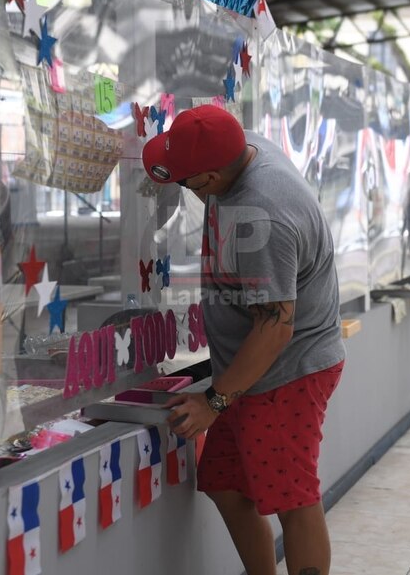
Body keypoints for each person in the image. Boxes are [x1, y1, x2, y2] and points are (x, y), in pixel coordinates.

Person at [142, 105, 346, 575]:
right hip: (245, 373)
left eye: (185, 181)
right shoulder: (240, 145)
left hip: (286, 372)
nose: (183, 188)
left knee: (292, 498)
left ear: (211, 177)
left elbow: (276, 326)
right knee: (228, 487)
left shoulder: (264, 217)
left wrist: (214, 401)